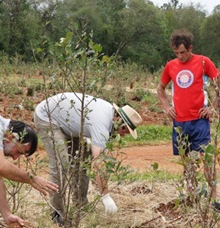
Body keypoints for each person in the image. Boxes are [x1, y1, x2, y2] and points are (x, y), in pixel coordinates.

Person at [33, 93, 143, 221]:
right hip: (48, 116)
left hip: (67, 120)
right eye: (124, 131)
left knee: (83, 156)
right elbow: (99, 163)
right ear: (118, 120)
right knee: (61, 164)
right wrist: (105, 196)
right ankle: (57, 213)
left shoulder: (107, 116)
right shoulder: (102, 123)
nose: (123, 136)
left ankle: (80, 204)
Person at [157, 30, 220, 200]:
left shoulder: (203, 62)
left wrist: (213, 107)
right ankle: (192, 195)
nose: (180, 56)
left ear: (190, 48)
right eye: (176, 53)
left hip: (199, 120)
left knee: (207, 159)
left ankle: (213, 197)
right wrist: (166, 107)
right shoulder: (170, 66)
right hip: (180, 122)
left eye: (183, 52)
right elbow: (160, 88)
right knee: (187, 161)